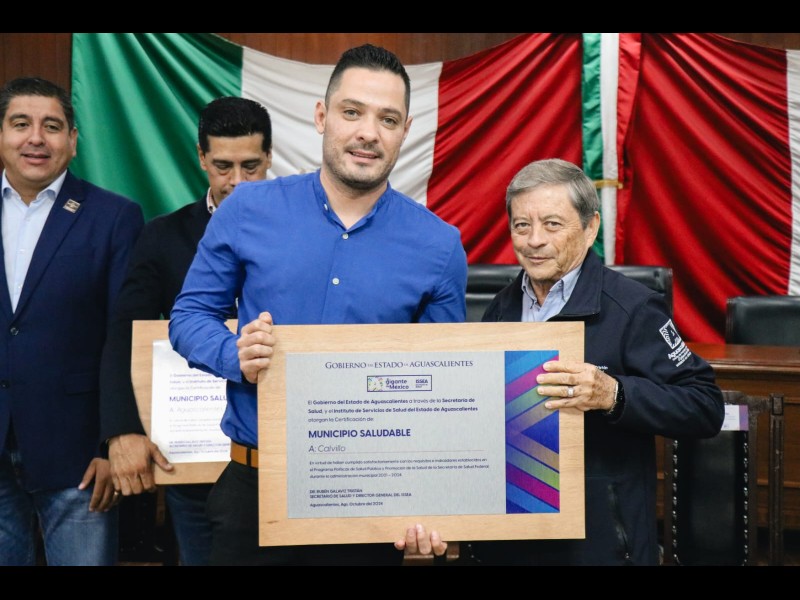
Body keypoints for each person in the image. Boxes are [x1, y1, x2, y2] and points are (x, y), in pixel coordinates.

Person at [169, 44, 466, 565]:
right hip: (255, 490)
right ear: (322, 116)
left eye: (387, 119)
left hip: (375, 500)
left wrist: (436, 504)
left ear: (406, 130)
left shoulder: (439, 246)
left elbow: (444, 386)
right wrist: (233, 353)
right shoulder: (247, 209)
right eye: (352, 112)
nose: (368, 132)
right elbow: (189, 316)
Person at [457, 158, 724, 565]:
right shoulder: (500, 308)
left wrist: (614, 394)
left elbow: (705, 406)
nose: (534, 240)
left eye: (552, 224)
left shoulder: (635, 308)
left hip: (600, 541)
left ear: (590, 227)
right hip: (512, 533)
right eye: (521, 225)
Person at [99, 97, 273, 566]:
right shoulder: (163, 236)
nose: (237, 182)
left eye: (251, 166)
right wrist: (122, 430)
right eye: (222, 166)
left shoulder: (302, 231)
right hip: (193, 461)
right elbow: (124, 334)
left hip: (279, 455)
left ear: (269, 157)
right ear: (201, 158)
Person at [0, 77, 144, 566]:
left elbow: (124, 336)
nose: (36, 138)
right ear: (2, 134)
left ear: (74, 139)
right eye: (21, 124)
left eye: (52, 126)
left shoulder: (114, 216)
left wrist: (112, 442)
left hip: (79, 457)